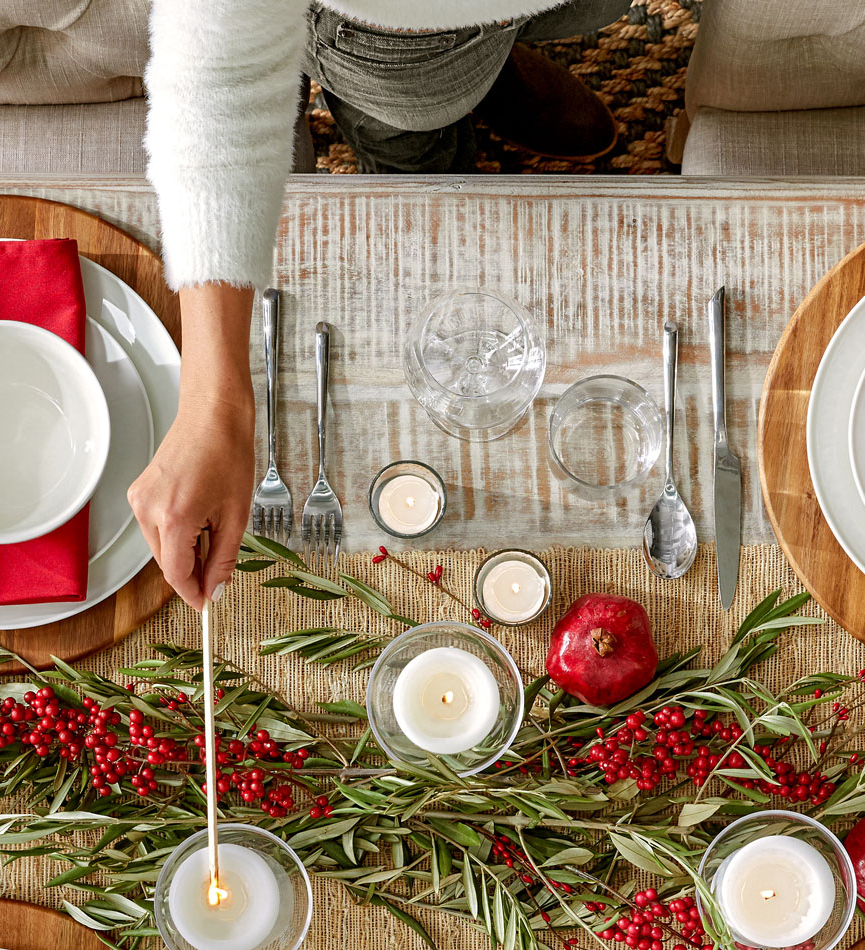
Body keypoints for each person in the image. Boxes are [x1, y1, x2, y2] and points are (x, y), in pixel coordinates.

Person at [130, 0, 628, 607]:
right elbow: (221, 64)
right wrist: (213, 407)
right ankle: (421, 101)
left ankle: (485, 68)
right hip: (392, 33)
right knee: (411, 134)